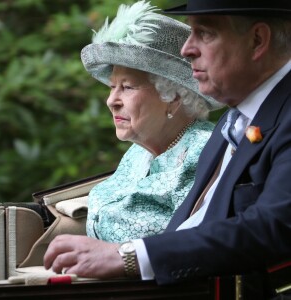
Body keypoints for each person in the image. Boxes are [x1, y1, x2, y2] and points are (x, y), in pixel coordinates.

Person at [44, 0, 291, 296]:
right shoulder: (233, 123)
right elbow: (192, 229)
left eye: (205, 33)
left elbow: (273, 226)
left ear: (257, 40)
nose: (187, 50)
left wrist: (129, 256)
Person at [80, 1, 219, 243]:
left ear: (173, 98)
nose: (112, 100)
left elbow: (191, 243)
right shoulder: (138, 154)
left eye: (127, 87)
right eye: (113, 87)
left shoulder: (206, 152)